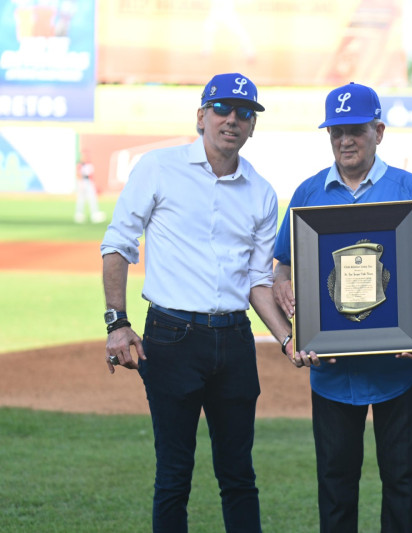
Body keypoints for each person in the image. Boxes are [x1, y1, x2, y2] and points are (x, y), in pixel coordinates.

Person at [101, 72, 291, 533]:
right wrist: (117, 322)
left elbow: (257, 280)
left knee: (239, 476)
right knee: (173, 476)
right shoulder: (158, 167)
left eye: (244, 113)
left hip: (235, 339)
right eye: (222, 109)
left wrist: (287, 339)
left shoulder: (262, 192)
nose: (232, 120)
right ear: (201, 116)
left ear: (253, 126)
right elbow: (118, 243)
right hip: (172, 337)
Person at [271, 82, 412, 533]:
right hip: (331, 368)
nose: (345, 140)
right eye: (336, 132)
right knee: (334, 484)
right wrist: (290, 299)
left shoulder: (410, 189)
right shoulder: (309, 193)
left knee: (403, 482)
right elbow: (282, 270)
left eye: (356, 130)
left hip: (398, 366)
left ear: (379, 131)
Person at [74, 152, 106, 223]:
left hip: (88, 182)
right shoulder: (80, 165)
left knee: (92, 198)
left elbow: (91, 175)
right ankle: (79, 215)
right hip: (83, 182)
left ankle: (94, 214)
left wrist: (93, 184)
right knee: (81, 199)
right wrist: (81, 183)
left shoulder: (89, 164)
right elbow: (78, 174)